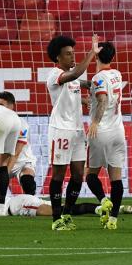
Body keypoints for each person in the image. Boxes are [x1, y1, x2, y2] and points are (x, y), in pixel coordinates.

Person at [46, 34, 101, 231]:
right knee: (59, 175)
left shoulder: (73, 78)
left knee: (78, 175)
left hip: (77, 131)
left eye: (73, 53)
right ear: (58, 58)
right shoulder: (55, 75)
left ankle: (67, 214)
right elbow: (76, 75)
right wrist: (91, 54)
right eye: (68, 54)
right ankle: (55, 219)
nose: (72, 57)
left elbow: (78, 86)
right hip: (61, 130)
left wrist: (95, 87)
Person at [85, 42, 125, 230]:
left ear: (97, 56)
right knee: (116, 177)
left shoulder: (97, 78)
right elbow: (100, 94)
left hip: (101, 132)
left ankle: (103, 200)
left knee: (90, 175)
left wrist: (95, 122)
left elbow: (102, 99)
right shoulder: (117, 75)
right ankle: (113, 220)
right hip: (118, 131)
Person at [0, 184, 132, 218]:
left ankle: (100, 210)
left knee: (61, 211)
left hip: (18, 205)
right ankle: (115, 208)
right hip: (19, 200)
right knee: (63, 208)